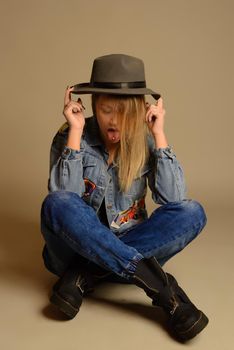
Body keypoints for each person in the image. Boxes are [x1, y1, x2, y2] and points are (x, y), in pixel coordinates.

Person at [40, 54, 208, 341]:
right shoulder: (70, 134)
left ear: (140, 110)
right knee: (56, 203)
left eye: (123, 113)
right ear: (93, 105)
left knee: (192, 212)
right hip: (72, 250)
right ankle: (158, 286)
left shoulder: (145, 139)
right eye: (106, 110)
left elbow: (174, 200)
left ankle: (84, 274)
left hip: (128, 244)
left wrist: (159, 135)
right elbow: (64, 199)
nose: (114, 121)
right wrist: (76, 132)